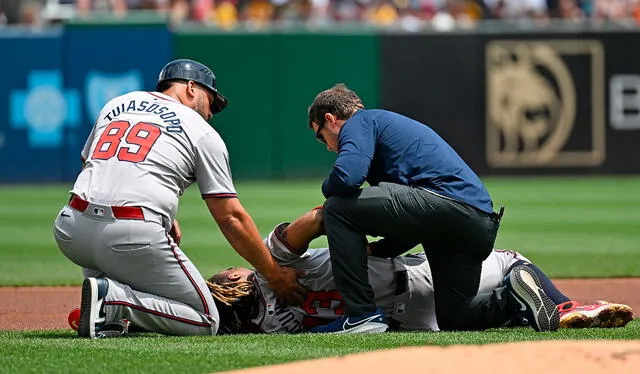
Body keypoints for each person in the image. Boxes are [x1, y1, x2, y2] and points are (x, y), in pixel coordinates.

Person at [53, 58, 305, 339]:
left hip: (71, 229)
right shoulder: (202, 132)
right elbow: (230, 217)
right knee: (207, 319)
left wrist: (166, 214)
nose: (211, 113)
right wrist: (273, 273)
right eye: (212, 101)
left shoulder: (117, 104)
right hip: (129, 237)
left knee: (120, 258)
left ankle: (106, 307)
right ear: (191, 88)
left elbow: (93, 161)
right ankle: (114, 302)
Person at [306, 83, 559, 333]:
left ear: (331, 119)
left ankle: (361, 316)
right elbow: (412, 224)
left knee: (337, 208)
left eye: (321, 136)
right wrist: (379, 249)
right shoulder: (381, 132)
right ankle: (513, 297)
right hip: (478, 223)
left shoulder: (359, 122)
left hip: (444, 204)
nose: (328, 146)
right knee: (455, 317)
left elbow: (348, 177)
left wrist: (327, 188)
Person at [205, 208, 633, 334]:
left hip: (408, 322)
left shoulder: (269, 327)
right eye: (232, 271)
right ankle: (558, 307)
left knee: (486, 316)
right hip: (414, 276)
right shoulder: (272, 269)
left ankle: (529, 307)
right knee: (511, 261)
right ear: (238, 281)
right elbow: (318, 217)